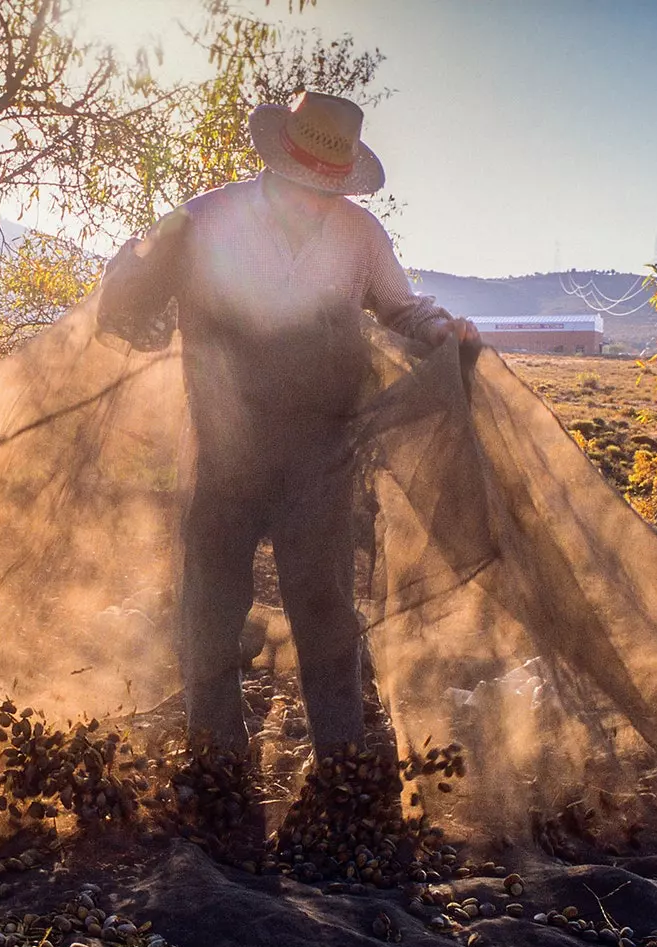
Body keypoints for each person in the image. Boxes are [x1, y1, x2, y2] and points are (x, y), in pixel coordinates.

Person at [98, 91, 482, 761]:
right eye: (306, 183)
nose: (316, 197)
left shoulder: (360, 235)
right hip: (224, 453)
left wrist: (442, 330)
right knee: (211, 610)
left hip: (322, 454)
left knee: (326, 609)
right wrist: (133, 284)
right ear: (277, 164)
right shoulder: (204, 219)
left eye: (329, 187)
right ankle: (217, 761)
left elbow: (402, 306)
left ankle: (344, 766)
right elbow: (131, 299)